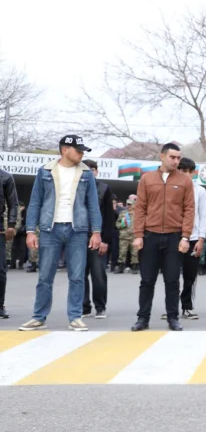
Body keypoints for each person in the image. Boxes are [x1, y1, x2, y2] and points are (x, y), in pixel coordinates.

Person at [19, 135, 102, 331]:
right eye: (78, 150)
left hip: (77, 230)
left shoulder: (86, 173)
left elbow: (92, 205)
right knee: (45, 276)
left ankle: (75, 317)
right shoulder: (45, 171)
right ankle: (39, 317)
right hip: (50, 229)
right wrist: (30, 231)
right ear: (65, 150)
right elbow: (35, 202)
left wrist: (96, 231)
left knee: (77, 276)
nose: (82, 154)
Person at [130, 143, 195, 332]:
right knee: (147, 280)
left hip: (174, 236)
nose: (176, 161)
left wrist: (185, 237)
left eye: (178, 158)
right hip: (150, 235)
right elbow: (140, 208)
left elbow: (189, 210)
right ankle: (143, 319)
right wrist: (138, 235)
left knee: (172, 280)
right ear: (162, 156)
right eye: (172, 157)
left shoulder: (184, 181)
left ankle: (173, 318)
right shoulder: (147, 179)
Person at [81, 160, 115, 319]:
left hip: (98, 237)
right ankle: (84, 307)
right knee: (79, 274)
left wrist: (105, 240)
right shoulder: (75, 186)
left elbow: (109, 217)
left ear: (96, 171)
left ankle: (100, 306)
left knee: (98, 274)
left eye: (90, 170)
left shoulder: (104, 189)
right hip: (78, 237)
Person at [176, 158, 206, 320]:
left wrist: (201, 239)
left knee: (190, 275)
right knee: (172, 275)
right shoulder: (172, 187)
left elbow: (203, 217)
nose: (187, 174)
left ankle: (187, 306)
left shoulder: (200, 191)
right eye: (184, 171)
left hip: (193, 238)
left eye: (190, 171)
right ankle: (171, 307)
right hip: (173, 236)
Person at [0, 167, 18, 319]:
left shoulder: (6, 177)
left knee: (0, 270)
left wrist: (11, 225)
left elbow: (13, 203)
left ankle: (0, 305)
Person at [117, 196, 140, 273]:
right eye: (127, 204)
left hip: (134, 236)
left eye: (130, 204)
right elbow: (117, 223)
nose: (128, 206)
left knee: (135, 253)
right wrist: (121, 225)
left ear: (134, 205)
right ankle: (120, 267)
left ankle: (134, 268)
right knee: (122, 253)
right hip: (124, 236)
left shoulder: (137, 214)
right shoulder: (123, 213)